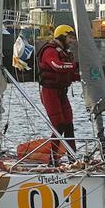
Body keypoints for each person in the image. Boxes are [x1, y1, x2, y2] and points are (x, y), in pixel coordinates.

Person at [38, 25, 80, 163]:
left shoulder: (65, 53)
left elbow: (69, 73)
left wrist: (83, 76)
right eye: (70, 38)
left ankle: (73, 159)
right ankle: (52, 158)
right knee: (59, 124)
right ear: (62, 36)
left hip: (62, 92)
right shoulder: (49, 51)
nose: (72, 41)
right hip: (50, 92)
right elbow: (57, 66)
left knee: (69, 125)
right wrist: (75, 66)